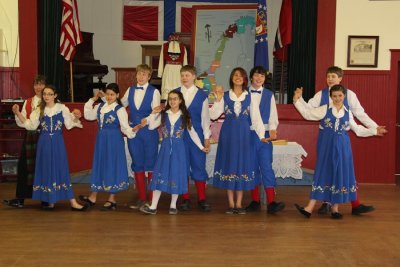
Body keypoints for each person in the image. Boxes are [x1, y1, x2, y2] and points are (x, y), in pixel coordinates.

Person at [295, 66, 388, 215]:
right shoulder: (321, 97)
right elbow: (308, 111)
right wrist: (298, 100)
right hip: (326, 139)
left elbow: (359, 117)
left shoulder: (349, 98)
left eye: (333, 76)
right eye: (328, 76)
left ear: (340, 79)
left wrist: (374, 128)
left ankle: (336, 206)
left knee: (342, 170)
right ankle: (328, 204)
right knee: (326, 168)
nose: (330, 78)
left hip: (342, 141)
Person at [12, 85, 88, 211]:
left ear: (55, 95)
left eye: (49, 94)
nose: (46, 96)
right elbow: (30, 126)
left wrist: (77, 116)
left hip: (58, 142)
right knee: (47, 169)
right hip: (44, 143)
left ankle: (73, 202)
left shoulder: (62, 108)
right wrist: (18, 113)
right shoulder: (38, 110)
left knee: (61, 169)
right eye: (45, 94)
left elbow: (69, 125)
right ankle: (50, 201)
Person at [210, 67, 269, 214]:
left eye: (241, 76)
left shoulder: (250, 97)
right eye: (235, 75)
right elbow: (213, 115)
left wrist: (261, 135)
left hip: (244, 135)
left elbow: (256, 119)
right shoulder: (224, 95)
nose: (238, 77)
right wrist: (217, 100)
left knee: (242, 166)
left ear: (244, 80)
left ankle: (239, 203)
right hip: (228, 135)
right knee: (230, 166)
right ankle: (231, 204)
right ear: (231, 78)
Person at [140, 90, 208, 215]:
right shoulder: (163, 114)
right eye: (170, 99)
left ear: (180, 101)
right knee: (160, 174)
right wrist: (153, 114)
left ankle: (173, 205)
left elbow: (192, 133)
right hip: (165, 148)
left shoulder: (185, 116)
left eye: (175, 99)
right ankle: (153, 206)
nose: (172, 101)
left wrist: (200, 146)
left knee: (176, 174)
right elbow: (150, 126)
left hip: (179, 148)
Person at [79, 83, 137, 211]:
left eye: (112, 94)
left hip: (114, 141)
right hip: (101, 140)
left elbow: (125, 127)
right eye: (108, 94)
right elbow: (88, 115)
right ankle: (93, 196)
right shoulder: (100, 106)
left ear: (117, 95)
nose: (110, 97)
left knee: (112, 166)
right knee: (100, 164)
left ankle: (112, 199)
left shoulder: (120, 110)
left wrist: (133, 131)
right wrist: (92, 100)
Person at [120, 64, 161, 210]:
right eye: (139, 74)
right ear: (136, 75)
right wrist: (105, 103)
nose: (141, 77)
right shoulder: (130, 90)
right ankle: (141, 198)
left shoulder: (154, 91)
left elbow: (156, 111)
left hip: (149, 132)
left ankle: (151, 199)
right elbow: (119, 105)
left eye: (144, 74)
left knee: (150, 164)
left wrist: (148, 120)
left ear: (149, 77)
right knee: (137, 163)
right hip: (134, 133)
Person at [245, 66, 285, 214]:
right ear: (251, 77)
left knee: (266, 167)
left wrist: (273, 128)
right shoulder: (243, 93)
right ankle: (255, 201)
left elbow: (273, 114)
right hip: (249, 135)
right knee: (251, 167)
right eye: (257, 75)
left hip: (266, 135)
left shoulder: (269, 95)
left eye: (262, 76)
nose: (259, 78)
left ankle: (271, 202)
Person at [3, 75, 47, 208]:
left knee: (42, 168)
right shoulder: (28, 102)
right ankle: (20, 199)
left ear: (45, 86)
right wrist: (17, 112)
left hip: (43, 137)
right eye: (36, 84)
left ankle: (45, 199)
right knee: (24, 168)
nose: (38, 87)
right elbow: (22, 122)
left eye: (41, 84)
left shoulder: (50, 101)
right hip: (30, 138)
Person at [175, 65, 211, 212]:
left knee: (198, 166)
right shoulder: (176, 93)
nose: (184, 78)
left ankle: (202, 199)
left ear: (194, 76)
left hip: (197, 135)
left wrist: (207, 138)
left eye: (187, 75)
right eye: (182, 75)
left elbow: (205, 119)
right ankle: (185, 198)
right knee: (182, 166)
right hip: (180, 135)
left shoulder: (202, 95)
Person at [158, 33, 188, 100]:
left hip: (178, 70)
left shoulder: (182, 47)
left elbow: (185, 62)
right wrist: (160, 73)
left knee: (178, 87)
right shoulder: (165, 46)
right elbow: (161, 60)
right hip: (168, 69)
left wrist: (185, 74)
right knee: (167, 87)